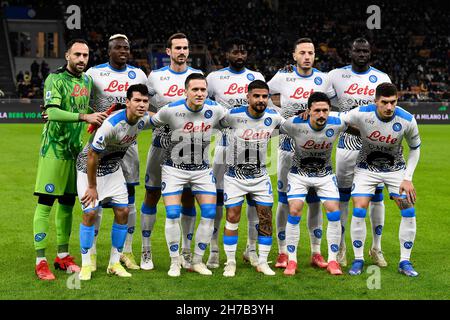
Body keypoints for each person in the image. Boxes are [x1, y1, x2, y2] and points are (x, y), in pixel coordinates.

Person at [33, 39, 107, 280]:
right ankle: (40, 260)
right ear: (67, 56)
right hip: (54, 151)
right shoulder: (55, 79)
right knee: (46, 203)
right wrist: (85, 117)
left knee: (66, 205)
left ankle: (62, 256)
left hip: (77, 153)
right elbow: (51, 112)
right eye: (77, 54)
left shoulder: (86, 80)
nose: (82, 59)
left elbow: (97, 107)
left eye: (85, 55)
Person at [148, 73, 227, 277]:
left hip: (202, 170)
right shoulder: (170, 111)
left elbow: (239, 119)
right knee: (173, 213)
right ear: (186, 92)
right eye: (195, 89)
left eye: (203, 89)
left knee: (209, 213)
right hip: (173, 169)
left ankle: (196, 261)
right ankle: (175, 262)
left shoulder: (215, 110)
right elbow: (148, 123)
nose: (200, 93)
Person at [267, 38, 336, 269]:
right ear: (294, 55)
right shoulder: (282, 76)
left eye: (311, 53)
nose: (307, 56)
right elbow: (263, 92)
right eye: (303, 53)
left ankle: (316, 252)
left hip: (315, 147)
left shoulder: (324, 79)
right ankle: (283, 251)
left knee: (316, 201)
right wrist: (279, 115)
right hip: (287, 145)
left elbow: (331, 104)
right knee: (285, 201)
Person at [341, 83, 421, 277]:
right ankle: (358, 259)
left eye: (393, 102)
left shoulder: (407, 119)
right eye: (384, 102)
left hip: (395, 169)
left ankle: (405, 261)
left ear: (397, 100)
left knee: (408, 209)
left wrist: (408, 178)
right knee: (359, 208)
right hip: (366, 168)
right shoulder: (361, 113)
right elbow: (337, 120)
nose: (389, 107)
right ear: (375, 101)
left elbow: (415, 148)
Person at [76, 84, 153, 280]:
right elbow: (92, 155)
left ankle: (114, 263)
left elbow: (160, 117)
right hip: (89, 168)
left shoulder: (143, 120)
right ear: (127, 102)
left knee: (123, 211)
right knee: (91, 212)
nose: (142, 105)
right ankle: (86, 265)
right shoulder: (111, 124)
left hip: (113, 168)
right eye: (137, 100)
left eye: (145, 101)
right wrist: (92, 187)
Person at [85, 34, 147, 272]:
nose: (123, 51)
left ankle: (126, 252)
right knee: (96, 198)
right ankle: (91, 254)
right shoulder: (94, 73)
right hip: (102, 141)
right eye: (118, 47)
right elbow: (83, 101)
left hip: (128, 145)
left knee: (129, 196)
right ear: (109, 50)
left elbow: (144, 104)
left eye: (127, 48)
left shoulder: (139, 74)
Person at [142, 33, 203, 271]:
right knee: (152, 195)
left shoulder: (197, 77)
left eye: (185, 48)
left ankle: (186, 254)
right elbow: (143, 106)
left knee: (189, 198)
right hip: (160, 145)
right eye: (177, 48)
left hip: (189, 148)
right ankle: (146, 251)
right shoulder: (156, 77)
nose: (182, 51)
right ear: (168, 51)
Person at [328, 38, 391, 267]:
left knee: (376, 198)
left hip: (374, 149)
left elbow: (387, 112)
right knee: (343, 198)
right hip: (346, 146)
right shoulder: (335, 75)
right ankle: (342, 248)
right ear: (350, 52)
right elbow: (320, 100)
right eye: (358, 50)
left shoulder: (382, 77)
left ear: (370, 53)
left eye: (366, 51)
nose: (362, 54)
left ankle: (376, 248)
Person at [205, 38, 265, 269]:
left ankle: (250, 249)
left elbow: (264, 105)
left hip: (254, 147)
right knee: (219, 199)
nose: (239, 55)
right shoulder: (214, 78)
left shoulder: (255, 76)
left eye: (243, 51)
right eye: (234, 52)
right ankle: (214, 250)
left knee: (253, 199)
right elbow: (207, 106)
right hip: (223, 145)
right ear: (226, 54)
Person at [219, 80, 283, 277]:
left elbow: (293, 126)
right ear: (248, 97)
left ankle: (262, 262)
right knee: (232, 217)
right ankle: (230, 262)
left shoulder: (274, 117)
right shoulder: (233, 115)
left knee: (265, 218)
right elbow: (212, 122)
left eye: (265, 96)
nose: (261, 100)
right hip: (234, 176)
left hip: (260, 175)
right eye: (257, 96)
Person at [280, 92, 347, 276]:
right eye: (317, 110)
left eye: (325, 110)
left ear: (330, 110)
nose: (321, 114)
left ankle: (333, 261)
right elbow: (271, 126)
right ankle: (291, 261)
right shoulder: (294, 124)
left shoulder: (338, 122)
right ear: (309, 111)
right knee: (294, 209)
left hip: (324, 174)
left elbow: (360, 122)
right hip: (298, 174)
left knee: (334, 210)